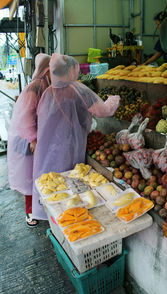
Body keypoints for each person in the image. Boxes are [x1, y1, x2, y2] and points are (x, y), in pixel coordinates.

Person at [31, 53, 120, 220]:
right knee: (70, 182)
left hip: (49, 148)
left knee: (53, 184)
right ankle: (71, 216)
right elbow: (103, 111)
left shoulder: (48, 92)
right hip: (69, 145)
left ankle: (55, 215)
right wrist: (114, 100)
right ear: (71, 69)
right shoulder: (77, 89)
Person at [7, 53, 51, 227]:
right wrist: (33, 139)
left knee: (37, 175)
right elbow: (25, 119)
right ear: (46, 70)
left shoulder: (45, 85)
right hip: (26, 139)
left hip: (35, 137)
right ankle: (30, 211)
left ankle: (39, 207)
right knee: (29, 177)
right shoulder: (35, 88)